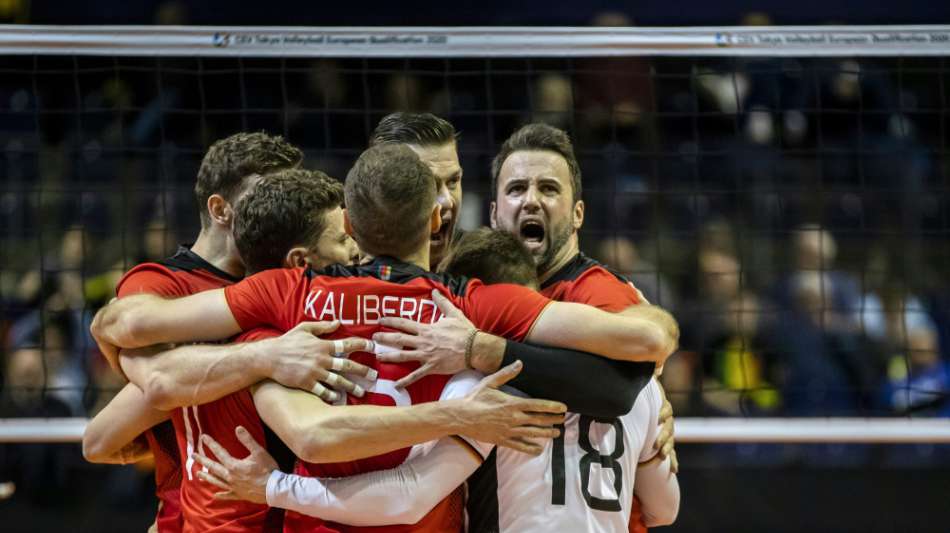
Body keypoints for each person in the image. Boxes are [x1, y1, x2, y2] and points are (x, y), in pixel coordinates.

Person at [90, 143, 678, 532]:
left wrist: (108, 328)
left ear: (351, 220)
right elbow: (643, 340)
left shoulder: (282, 300)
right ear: (437, 219)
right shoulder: (471, 305)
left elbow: (127, 357)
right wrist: (651, 380)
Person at [192, 229, 680, 532]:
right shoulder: (643, 391)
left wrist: (274, 486)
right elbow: (666, 509)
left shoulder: (489, 390)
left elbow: (404, 498)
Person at [375, 123, 679, 532]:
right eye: (517, 189)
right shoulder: (463, 277)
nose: (531, 200)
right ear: (494, 213)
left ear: (578, 213)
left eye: (548, 189)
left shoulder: (597, 293)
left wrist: (482, 350)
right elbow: (666, 506)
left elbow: (620, 388)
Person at [83, 132, 376, 533]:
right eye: (267, 192)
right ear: (220, 209)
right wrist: (265, 357)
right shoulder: (163, 284)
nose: (281, 202)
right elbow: (118, 420)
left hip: (298, 507)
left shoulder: (304, 285)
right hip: (196, 519)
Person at [370, 112, 462, 269]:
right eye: (427, 184)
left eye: (453, 181)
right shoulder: (344, 274)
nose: (447, 201)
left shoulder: (482, 270)